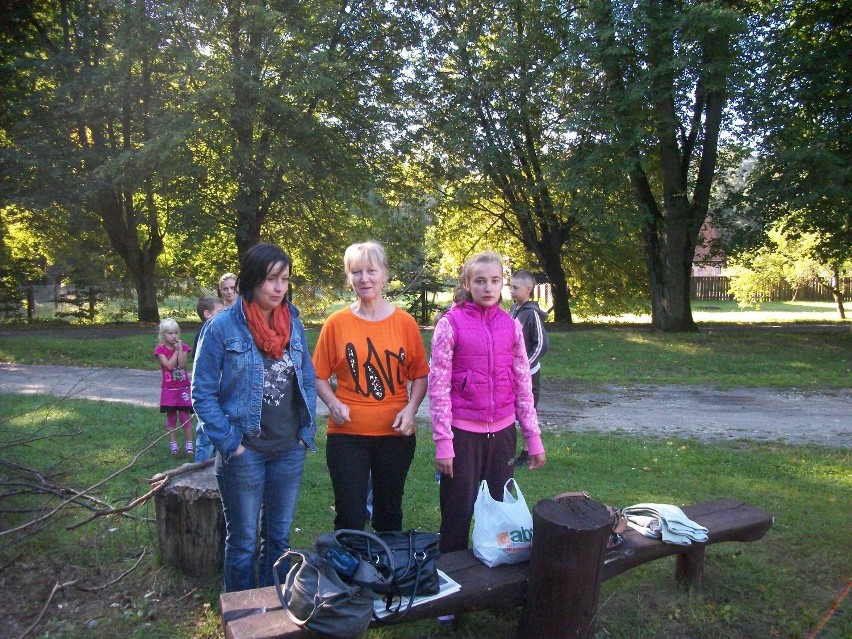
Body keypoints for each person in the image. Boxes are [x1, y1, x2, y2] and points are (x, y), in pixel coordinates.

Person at [192, 243, 317, 592]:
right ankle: (243, 617)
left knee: (278, 540)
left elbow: (306, 376)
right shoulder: (221, 328)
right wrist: (231, 444)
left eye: (285, 280)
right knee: (244, 542)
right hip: (245, 451)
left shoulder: (292, 321)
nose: (280, 288)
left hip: (289, 449)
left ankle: (272, 612)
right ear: (252, 279)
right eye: (272, 279)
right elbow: (201, 393)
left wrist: (304, 431)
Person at [429, 250, 546, 555]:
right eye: (480, 281)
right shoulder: (449, 324)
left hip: (503, 434)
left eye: (495, 281)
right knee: (457, 512)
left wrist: (533, 438)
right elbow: (438, 388)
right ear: (467, 282)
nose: (488, 288)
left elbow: (523, 384)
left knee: (500, 515)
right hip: (463, 435)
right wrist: (444, 443)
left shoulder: (511, 325)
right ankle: (452, 581)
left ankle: (496, 579)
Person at [313, 241, 429, 532]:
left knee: (389, 513)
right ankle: (350, 573)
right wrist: (332, 403)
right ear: (348, 278)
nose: (364, 278)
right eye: (356, 272)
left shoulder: (405, 323)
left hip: (395, 434)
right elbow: (317, 375)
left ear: (384, 275)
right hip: (347, 435)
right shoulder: (336, 323)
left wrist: (411, 409)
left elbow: (420, 375)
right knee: (349, 516)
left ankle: (386, 572)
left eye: (371, 271)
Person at [508, 269, 549, 467]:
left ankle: (526, 453)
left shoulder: (532, 313)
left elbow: (541, 345)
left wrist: (525, 366)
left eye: (515, 287)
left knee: (527, 411)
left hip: (529, 374)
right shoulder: (513, 309)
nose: (511, 291)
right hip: (512, 373)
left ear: (528, 289)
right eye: (510, 287)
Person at [191, 296, 224, 462]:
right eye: (220, 312)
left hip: (222, 393)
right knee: (204, 436)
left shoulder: (221, 332)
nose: (224, 315)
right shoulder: (205, 336)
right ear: (207, 314)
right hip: (211, 395)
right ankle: (199, 467)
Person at [154, 318, 194, 456]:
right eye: (170, 333)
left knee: (185, 416)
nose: (174, 336)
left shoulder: (184, 347)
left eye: (176, 333)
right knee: (171, 416)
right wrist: (176, 352)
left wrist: (180, 350)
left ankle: (189, 444)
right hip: (169, 389)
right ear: (163, 335)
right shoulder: (160, 350)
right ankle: (173, 444)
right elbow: (169, 366)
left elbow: (182, 365)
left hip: (183, 388)